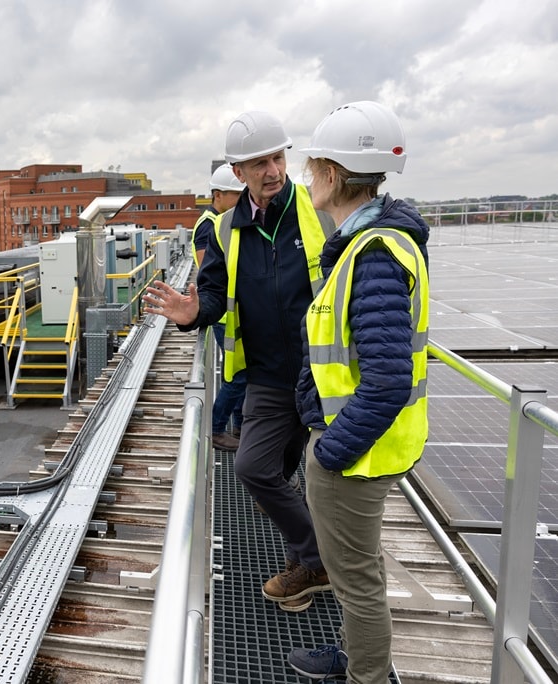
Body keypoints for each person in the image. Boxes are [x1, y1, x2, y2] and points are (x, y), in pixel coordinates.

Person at [144, 110, 334, 611]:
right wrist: (191, 313)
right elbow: (211, 296)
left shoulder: (321, 212)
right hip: (268, 378)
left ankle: (308, 565)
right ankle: (319, 560)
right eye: (258, 163)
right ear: (238, 172)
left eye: (277, 157)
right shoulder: (227, 229)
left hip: (325, 376)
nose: (272, 170)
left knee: (311, 479)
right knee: (254, 468)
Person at [285, 101, 430, 682]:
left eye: (313, 165)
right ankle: (360, 657)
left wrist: (330, 452)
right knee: (356, 567)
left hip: (357, 453)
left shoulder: (372, 255)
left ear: (336, 174)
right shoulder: (364, 244)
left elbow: (388, 378)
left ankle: (366, 674)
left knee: (356, 577)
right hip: (361, 446)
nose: (307, 177)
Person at [191, 164, 246, 452]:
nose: (241, 199)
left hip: (233, 313)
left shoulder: (225, 221)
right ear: (218, 195)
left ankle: (239, 426)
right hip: (224, 315)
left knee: (239, 373)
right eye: (235, 194)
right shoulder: (209, 225)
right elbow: (209, 270)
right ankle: (216, 428)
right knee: (238, 376)